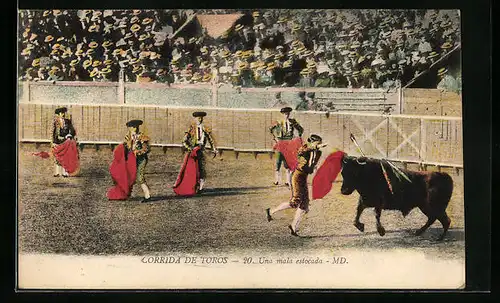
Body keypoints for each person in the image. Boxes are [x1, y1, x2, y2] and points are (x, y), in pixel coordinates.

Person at [266, 134, 325, 236]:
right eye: (317, 143)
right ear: (312, 142)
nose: (319, 144)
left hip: (303, 177)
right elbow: (301, 151)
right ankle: (271, 211)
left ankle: (293, 226)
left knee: (304, 204)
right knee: (295, 202)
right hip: (297, 177)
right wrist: (314, 147)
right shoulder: (305, 148)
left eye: (319, 143)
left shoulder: (318, 152)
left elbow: (312, 166)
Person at [182, 111, 218, 192]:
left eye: (201, 118)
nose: (200, 119)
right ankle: (193, 186)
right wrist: (189, 148)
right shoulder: (191, 128)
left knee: (201, 168)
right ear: (195, 119)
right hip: (193, 151)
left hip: (201, 150)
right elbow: (184, 140)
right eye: (198, 118)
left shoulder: (205, 128)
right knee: (193, 169)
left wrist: (214, 149)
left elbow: (210, 139)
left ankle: (200, 187)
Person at [269, 107, 304, 186]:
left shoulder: (292, 121)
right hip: (280, 142)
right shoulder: (278, 121)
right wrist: (275, 138)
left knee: (287, 162)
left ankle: (288, 181)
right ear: (282, 114)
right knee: (278, 161)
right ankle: (276, 180)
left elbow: (301, 129)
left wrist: (297, 136)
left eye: (288, 113)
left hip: (289, 143)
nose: (287, 115)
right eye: (285, 114)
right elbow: (270, 129)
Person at [124, 119, 152, 203]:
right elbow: (127, 148)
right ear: (129, 128)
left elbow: (147, 149)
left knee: (140, 177)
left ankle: (148, 196)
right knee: (130, 176)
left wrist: (138, 152)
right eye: (132, 127)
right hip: (131, 159)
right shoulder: (128, 137)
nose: (134, 128)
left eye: (136, 127)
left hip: (141, 159)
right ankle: (127, 194)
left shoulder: (142, 137)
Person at [51, 107, 77, 177]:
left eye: (57, 115)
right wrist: (54, 142)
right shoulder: (56, 123)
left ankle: (65, 172)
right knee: (57, 157)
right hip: (58, 141)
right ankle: (57, 172)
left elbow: (72, 130)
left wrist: (69, 135)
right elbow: (54, 133)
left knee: (65, 157)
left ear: (61, 114)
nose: (56, 116)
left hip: (66, 141)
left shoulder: (68, 121)